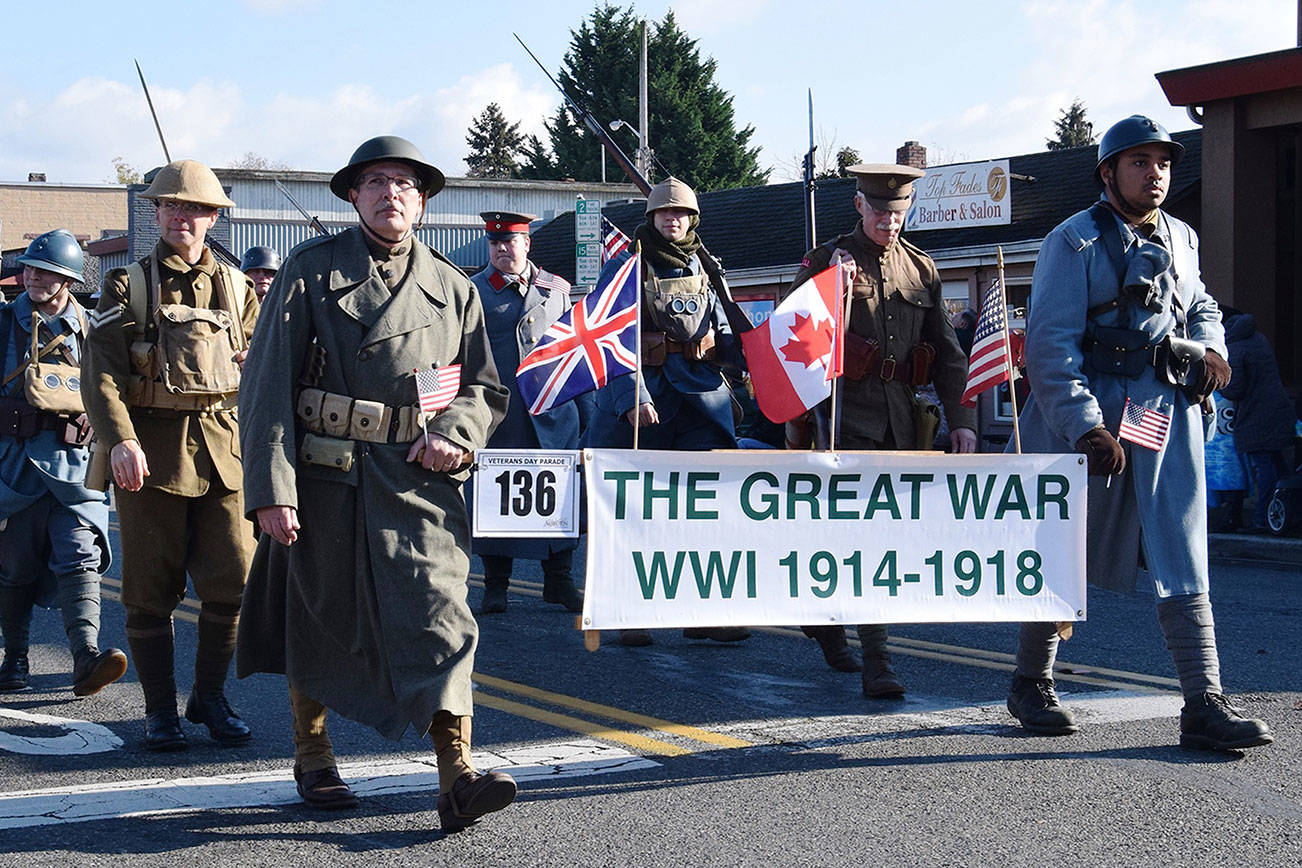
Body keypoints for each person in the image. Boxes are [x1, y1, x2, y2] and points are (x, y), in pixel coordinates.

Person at [236, 136, 516, 829]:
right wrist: (272, 489)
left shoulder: (453, 288)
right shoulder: (310, 271)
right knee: (322, 617)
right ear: (353, 195)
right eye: (377, 181)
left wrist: (456, 432)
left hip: (417, 483)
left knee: (442, 618)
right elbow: (265, 387)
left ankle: (457, 774)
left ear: (422, 201)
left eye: (405, 184)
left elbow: (483, 387)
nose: (392, 193)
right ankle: (314, 751)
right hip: (326, 479)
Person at [1005, 115, 1272, 752]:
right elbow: (1049, 347)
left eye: (1163, 163)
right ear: (1109, 173)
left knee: (1184, 550)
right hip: (1092, 422)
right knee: (1061, 552)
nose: (1156, 175)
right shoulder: (1071, 243)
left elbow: (1201, 304)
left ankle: (1203, 700)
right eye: (1140, 163)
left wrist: (1210, 351)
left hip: (1165, 415)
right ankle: (1030, 681)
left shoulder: (1182, 236)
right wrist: (1084, 427)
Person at [82, 160, 259, 750]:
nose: (182, 217)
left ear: (213, 218)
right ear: (155, 213)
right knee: (149, 589)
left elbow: (265, 366)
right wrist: (121, 440)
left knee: (233, 582)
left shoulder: (238, 288)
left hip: (225, 452)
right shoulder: (127, 284)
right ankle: (160, 710)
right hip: (152, 455)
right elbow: (101, 372)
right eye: (170, 207)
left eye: (195, 208)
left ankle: (209, 697)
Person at [786, 164, 977, 695]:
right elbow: (794, 340)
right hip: (843, 420)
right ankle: (878, 657)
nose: (889, 224)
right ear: (858, 206)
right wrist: (829, 290)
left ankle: (824, 620)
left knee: (883, 538)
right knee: (860, 539)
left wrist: (962, 422)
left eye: (898, 214)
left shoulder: (922, 269)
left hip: (902, 423)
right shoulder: (826, 261)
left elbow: (948, 355)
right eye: (879, 213)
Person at [587, 177, 750, 647]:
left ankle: (704, 613)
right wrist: (633, 395)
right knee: (639, 510)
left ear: (692, 219)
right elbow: (610, 337)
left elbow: (727, 324)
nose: (672, 220)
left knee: (704, 511)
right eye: (664, 213)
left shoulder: (706, 263)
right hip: (649, 399)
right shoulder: (625, 266)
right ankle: (632, 609)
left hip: (701, 398)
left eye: (681, 214)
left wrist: (747, 366)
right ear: (652, 218)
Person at [0, 230, 127, 695]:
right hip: (14, 467)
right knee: (13, 568)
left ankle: (86, 658)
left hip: (76, 468)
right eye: (30, 269)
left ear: (67, 280)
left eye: (47, 271)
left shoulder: (94, 329)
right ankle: (14, 658)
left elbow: (117, 392)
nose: (34, 277)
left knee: (80, 556)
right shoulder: (3, 323)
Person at [469, 211, 585, 615]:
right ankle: (495, 586)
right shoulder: (474, 292)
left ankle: (560, 581)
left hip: (554, 413)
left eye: (511, 241)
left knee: (559, 500)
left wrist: (585, 413)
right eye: (496, 243)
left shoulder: (556, 290)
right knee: (498, 501)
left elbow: (574, 350)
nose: (503, 249)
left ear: (527, 244)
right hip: (502, 416)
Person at [1219, 309, 1297, 533]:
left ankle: (1263, 518)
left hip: (1256, 418)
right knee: (1279, 465)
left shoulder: (1235, 348)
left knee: (1264, 469)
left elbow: (1234, 389)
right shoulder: (1258, 338)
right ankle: (1283, 515)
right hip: (1277, 410)